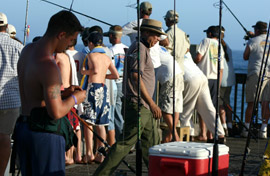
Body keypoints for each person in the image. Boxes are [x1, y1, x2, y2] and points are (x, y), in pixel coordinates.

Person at [15, 10, 86, 176]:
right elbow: (56, 112)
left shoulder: (28, 51)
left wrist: (63, 94)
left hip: (24, 128)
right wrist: (76, 98)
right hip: (43, 134)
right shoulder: (49, 65)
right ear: (61, 35)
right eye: (70, 40)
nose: (70, 45)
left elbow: (35, 92)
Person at [94, 19, 163, 175]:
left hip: (144, 107)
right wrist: (152, 104)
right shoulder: (139, 48)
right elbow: (135, 76)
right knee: (124, 144)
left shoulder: (142, 48)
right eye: (156, 35)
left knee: (152, 145)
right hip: (139, 105)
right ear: (145, 33)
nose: (158, 39)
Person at [81, 32, 119, 163]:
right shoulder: (106, 57)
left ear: (91, 43)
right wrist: (104, 76)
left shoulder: (90, 55)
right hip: (104, 88)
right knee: (101, 123)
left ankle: (89, 153)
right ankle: (100, 154)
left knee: (88, 122)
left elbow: (93, 71)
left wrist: (84, 72)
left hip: (92, 88)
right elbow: (116, 75)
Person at [181, 52, 225, 143]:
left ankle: (188, 136)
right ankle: (220, 135)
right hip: (201, 77)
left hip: (190, 79)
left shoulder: (168, 52)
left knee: (185, 112)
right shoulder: (187, 52)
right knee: (208, 109)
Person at [0, 12, 23, 176]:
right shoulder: (18, 46)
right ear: (6, 27)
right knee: (5, 137)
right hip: (11, 100)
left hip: (10, 100)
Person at [55, 39, 84, 165]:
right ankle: (72, 155)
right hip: (69, 90)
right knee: (72, 125)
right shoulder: (68, 57)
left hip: (62, 92)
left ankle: (67, 156)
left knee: (64, 125)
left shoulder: (58, 56)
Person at [195, 25, 225, 142]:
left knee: (202, 106)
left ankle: (203, 133)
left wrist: (191, 64)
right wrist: (218, 84)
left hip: (203, 78)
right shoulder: (220, 46)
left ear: (210, 34)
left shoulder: (205, 41)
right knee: (212, 108)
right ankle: (211, 134)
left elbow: (198, 57)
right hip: (215, 79)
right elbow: (221, 69)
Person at [242, 21, 269, 139]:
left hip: (255, 73)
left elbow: (245, 56)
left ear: (257, 30)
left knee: (251, 102)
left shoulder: (252, 41)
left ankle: (246, 129)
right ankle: (264, 130)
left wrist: (251, 39)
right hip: (268, 74)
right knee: (265, 102)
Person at [104, 25, 128, 145]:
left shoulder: (111, 50)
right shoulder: (127, 48)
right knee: (122, 111)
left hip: (116, 83)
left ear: (112, 36)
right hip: (126, 84)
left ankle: (121, 139)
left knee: (115, 112)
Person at [157, 36, 183, 142]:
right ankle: (169, 135)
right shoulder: (164, 50)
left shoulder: (154, 50)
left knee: (165, 109)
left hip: (169, 79)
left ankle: (175, 135)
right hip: (179, 75)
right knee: (175, 108)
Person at [219, 26, 236, 137]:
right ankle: (230, 125)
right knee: (227, 103)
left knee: (220, 104)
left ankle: (223, 126)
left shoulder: (218, 46)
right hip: (230, 79)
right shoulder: (227, 47)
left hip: (221, 80)